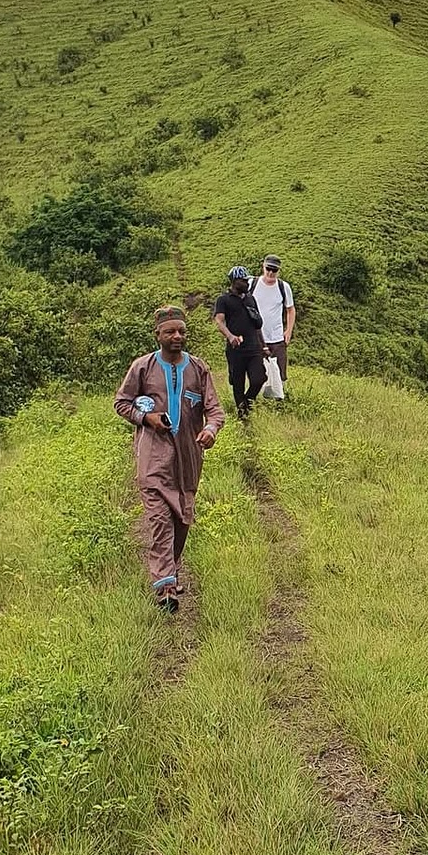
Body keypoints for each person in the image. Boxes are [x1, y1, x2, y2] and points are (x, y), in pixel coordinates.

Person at [114, 305, 224, 611]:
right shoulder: (142, 367)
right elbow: (122, 403)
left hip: (188, 459)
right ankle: (165, 589)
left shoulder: (198, 369)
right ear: (157, 335)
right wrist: (146, 418)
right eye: (170, 331)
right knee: (160, 520)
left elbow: (215, 410)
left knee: (182, 519)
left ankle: (170, 571)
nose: (177, 336)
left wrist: (211, 429)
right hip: (154, 459)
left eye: (181, 331)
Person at [212, 267, 265, 420]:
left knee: (259, 378)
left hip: (254, 347)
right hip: (236, 350)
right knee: (238, 383)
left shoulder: (250, 298)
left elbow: (257, 323)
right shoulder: (223, 300)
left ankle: (247, 403)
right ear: (235, 282)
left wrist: (264, 345)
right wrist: (230, 336)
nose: (247, 283)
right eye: (244, 281)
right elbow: (219, 321)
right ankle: (242, 415)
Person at [253, 256, 296, 396]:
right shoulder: (252, 284)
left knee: (279, 374)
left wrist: (288, 330)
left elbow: (290, 309)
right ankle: (258, 400)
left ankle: (279, 400)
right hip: (256, 338)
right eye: (268, 269)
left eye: (274, 270)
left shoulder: (284, 287)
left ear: (279, 271)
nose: (270, 273)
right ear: (263, 267)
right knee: (257, 374)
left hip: (277, 337)